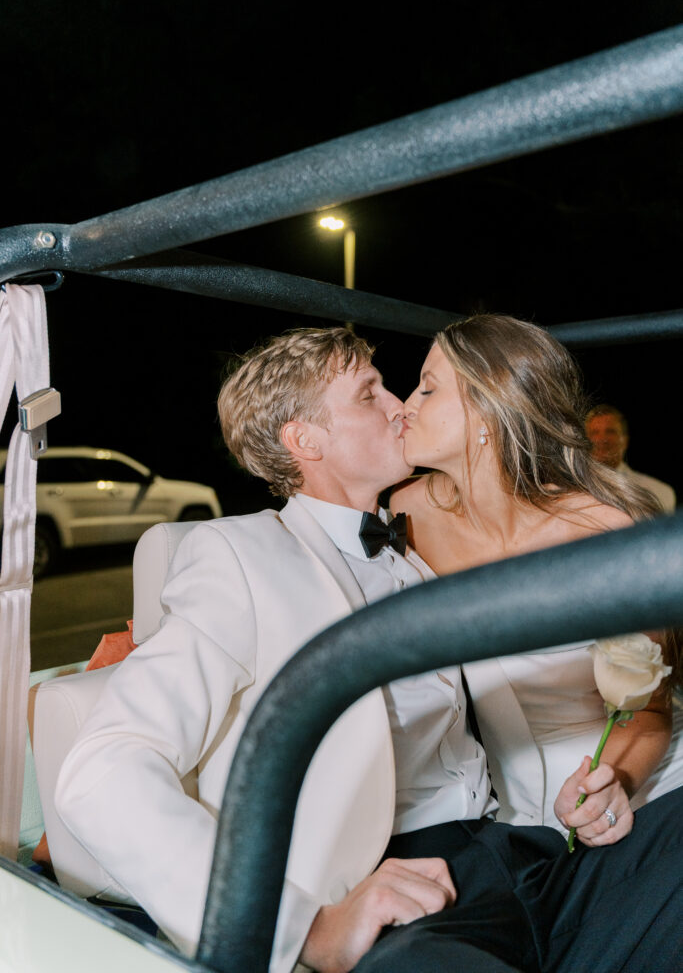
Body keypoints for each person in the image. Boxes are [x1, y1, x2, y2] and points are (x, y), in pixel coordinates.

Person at [55, 325, 682, 973]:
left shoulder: (416, 538)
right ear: (305, 440)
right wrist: (304, 929)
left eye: (402, 388)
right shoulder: (241, 556)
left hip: (527, 852)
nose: (400, 406)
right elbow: (104, 768)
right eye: (369, 394)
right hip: (402, 892)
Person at [391, 314, 683, 836]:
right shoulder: (409, 513)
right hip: (504, 808)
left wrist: (612, 783)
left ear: (488, 410)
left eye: (427, 389)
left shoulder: (602, 532)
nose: (405, 405)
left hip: (636, 785)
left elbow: (649, 712)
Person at [585, 403, 676, 515]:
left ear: (625, 441)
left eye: (610, 431)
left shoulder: (658, 493)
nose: (602, 439)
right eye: (594, 432)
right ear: (584, 442)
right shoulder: (571, 491)